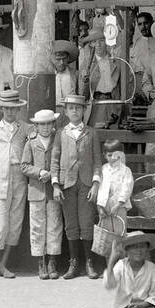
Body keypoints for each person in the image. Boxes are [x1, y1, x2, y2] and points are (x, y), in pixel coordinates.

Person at [51, 94, 103, 280]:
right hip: (67, 184)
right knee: (71, 225)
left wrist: (96, 183)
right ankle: (74, 263)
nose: (75, 111)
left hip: (86, 184)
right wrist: (56, 185)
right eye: (71, 108)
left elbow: (98, 161)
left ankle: (89, 263)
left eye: (78, 108)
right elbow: (54, 161)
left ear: (84, 111)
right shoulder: (60, 133)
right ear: (65, 111)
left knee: (86, 223)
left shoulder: (91, 132)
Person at [0, 86, 29, 279]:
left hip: (20, 177)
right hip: (1, 180)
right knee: (1, 224)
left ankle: (3, 264)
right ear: (1, 109)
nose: (10, 111)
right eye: (6, 108)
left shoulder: (27, 128)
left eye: (13, 108)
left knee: (15, 223)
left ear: (18, 109)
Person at [21, 109, 63, 280]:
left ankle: (53, 262)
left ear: (53, 124)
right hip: (36, 190)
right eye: (42, 124)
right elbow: (24, 166)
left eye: (48, 123)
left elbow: (62, 162)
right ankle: (41, 262)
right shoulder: (30, 143)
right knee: (37, 227)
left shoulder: (58, 140)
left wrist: (54, 177)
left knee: (54, 225)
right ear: (36, 126)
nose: (45, 127)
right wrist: (39, 172)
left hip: (53, 191)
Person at [51, 41, 79, 110]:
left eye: (64, 59)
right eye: (58, 59)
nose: (61, 62)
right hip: (52, 111)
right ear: (52, 59)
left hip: (70, 111)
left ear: (68, 58)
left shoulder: (75, 74)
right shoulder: (49, 75)